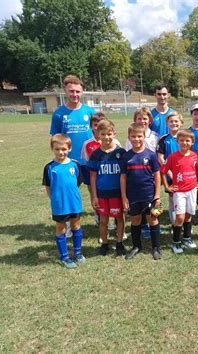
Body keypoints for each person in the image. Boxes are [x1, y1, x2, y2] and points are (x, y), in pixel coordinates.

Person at [42, 134, 85, 269]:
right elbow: (48, 186)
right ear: (52, 149)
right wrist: (55, 199)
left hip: (74, 203)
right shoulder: (49, 167)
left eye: (64, 149)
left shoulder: (75, 165)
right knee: (61, 229)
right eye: (57, 149)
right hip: (59, 204)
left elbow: (77, 182)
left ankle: (78, 253)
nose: (61, 152)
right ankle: (64, 257)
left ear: (69, 148)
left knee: (76, 226)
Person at [120, 123, 162, 260]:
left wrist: (157, 195)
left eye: (139, 136)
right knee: (135, 220)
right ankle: (136, 246)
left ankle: (156, 247)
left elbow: (157, 175)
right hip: (133, 195)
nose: (136, 139)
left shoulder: (151, 155)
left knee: (152, 219)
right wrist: (124, 197)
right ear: (129, 137)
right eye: (133, 136)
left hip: (149, 194)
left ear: (144, 137)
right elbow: (123, 178)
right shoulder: (126, 157)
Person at [88, 120, 127, 256]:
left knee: (119, 218)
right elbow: (92, 177)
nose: (106, 137)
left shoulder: (121, 153)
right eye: (103, 134)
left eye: (109, 134)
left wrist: (124, 196)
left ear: (114, 133)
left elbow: (124, 175)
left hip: (117, 193)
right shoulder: (95, 155)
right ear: (98, 134)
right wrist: (94, 196)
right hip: (102, 194)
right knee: (103, 220)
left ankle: (120, 242)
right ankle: (104, 243)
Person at [161, 130, 198, 254]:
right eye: (181, 140)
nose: (184, 143)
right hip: (179, 192)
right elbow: (163, 171)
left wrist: (197, 183)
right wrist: (167, 186)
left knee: (188, 215)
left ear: (192, 142)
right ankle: (176, 242)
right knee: (180, 217)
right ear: (177, 142)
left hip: (192, 190)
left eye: (187, 140)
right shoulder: (172, 157)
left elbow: (197, 171)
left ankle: (187, 238)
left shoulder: (195, 156)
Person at [125, 107, 160, 239]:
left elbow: (156, 155)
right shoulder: (130, 138)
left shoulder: (155, 136)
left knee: (151, 205)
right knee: (138, 205)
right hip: (136, 174)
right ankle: (143, 226)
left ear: (149, 120)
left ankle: (152, 225)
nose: (142, 121)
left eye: (144, 118)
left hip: (150, 174)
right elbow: (129, 156)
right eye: (139, 118)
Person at [50, 75, 96, 166]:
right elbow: (55, 139)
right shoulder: (58, 114)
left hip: (90, 160)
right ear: (65, 91)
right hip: (68, 162)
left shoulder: (90, 112)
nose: (75, 94)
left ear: (82, 92)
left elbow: (99, 134)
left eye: (78, 91)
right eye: (71, 91)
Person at [157, 111, 183, 223]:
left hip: (184, 173)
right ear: (167, 124)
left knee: (183, 199)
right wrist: (169, 172)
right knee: (173, 200)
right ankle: (175, 224)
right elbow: (160, 158)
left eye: (176, 121)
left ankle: (184, 223)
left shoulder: (185, 137)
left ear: (181, 122)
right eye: (171, 121)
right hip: (170, 175)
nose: (174, 123)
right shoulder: (163, 139)